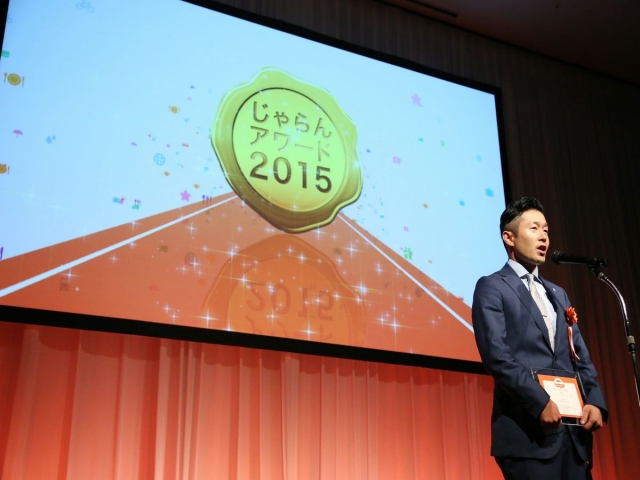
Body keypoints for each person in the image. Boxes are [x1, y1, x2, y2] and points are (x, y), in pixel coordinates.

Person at [472, 196, 607, 479]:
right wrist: (539, 401)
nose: (544, 236)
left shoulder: (558, 294)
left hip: (574, 437)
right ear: (509, 237)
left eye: (546, 229)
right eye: (534, 228)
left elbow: (580, 356)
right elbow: (497, 357)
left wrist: (595, 400)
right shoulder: (492, 287)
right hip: (528, 435)